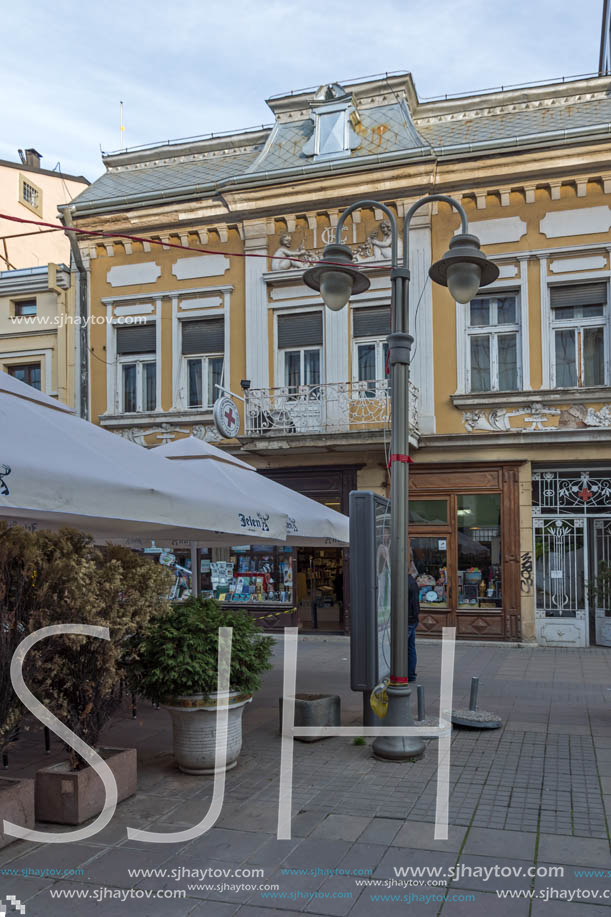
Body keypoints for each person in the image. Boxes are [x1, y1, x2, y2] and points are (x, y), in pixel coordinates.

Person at [408, 549, 420, 681]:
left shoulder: (404, 582)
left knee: (402, 647)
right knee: (410, 647)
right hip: (413, 618)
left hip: (407, 619)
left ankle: (402, 673)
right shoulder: (413, 581)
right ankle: (410, 674)